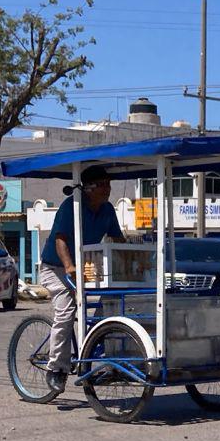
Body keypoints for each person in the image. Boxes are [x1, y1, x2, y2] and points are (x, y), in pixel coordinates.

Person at [38, 165, 124, 392]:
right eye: (103, 185)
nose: (108, 189)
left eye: (109, 184)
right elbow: (60, 240)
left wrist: (130, 263)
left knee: (115, 301)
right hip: (55, 267)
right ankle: (56, 368)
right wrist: (68, 266)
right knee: (66, 311)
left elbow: (118, 239)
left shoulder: (107, 210)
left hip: (83, 267)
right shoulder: (70, 207)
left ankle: (99, 344)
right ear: (88, 188)